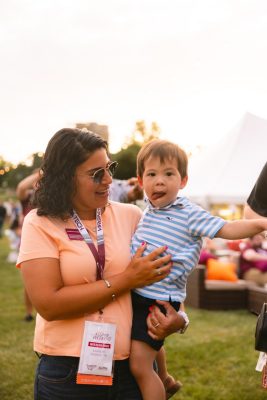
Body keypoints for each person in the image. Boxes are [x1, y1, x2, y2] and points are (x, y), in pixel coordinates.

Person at [17, 128, 185, 400]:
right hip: (67, 374)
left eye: (109, 168)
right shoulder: (40, 223)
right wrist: (126, 280)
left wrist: (180, 317)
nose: (108, 179)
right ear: (65, 178)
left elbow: (166, 272)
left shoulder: (131, 216)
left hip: (131, 369)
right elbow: (48, 304)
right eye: (96, 174)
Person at [129, 139, 267, 400]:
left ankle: (162, 386)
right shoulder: (146, 213)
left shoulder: (188, 212)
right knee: (143, 359)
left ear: (183, 181)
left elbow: (227, 228)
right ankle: (166, 380)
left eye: (169, 174)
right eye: (152, 174)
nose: (160, 181)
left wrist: (260, 223)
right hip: (136, 294)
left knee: (140, 366)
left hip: (157, 300)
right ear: (140, 180)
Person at [16, 170, 40, 321]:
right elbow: (21, 187)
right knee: (28, 282)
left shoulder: (52, 194)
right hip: (29, 241)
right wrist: (39, 174)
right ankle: (29, 312)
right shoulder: (28, 197)